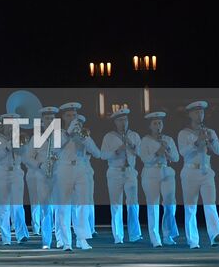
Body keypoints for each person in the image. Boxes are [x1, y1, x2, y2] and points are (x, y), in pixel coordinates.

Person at [177, 100, 219, 248]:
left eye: (202, 112)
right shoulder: (184, 133)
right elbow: (182, 152)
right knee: (191, 207)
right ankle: (193, 241)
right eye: (197, 112)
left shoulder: (210, 131)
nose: (200, 115)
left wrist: (211, 140)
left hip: (206, 171)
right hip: (190, 171)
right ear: (190, 115)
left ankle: (215, 235)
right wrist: (197, 143)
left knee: (210, 204)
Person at [55, 113, 102, 251]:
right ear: (64, 118)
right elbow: (53, 151)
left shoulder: (83, 135)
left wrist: (85, 139)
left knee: (83, 205)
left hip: (81, 167)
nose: (73, 119)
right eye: (69, 116)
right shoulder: (59, 133)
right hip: (64, 168)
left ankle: (82, 239)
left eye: (74, 116)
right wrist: (68, 134)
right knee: (64, 207)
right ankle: (66, 242)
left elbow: (97, 153)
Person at [101, 107, 143, 244]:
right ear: (115, 122)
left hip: (130, 171)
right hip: (114, 171)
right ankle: (118, 236)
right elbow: (103, 155)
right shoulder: (109, 136)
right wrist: (116, 151)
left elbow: (142, 154)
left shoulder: (134, 136)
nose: (123, 123)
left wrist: (132, 146)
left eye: (125, 120)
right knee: (116, 204)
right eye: (120, 120)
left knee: (133, 203)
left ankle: (135, 234)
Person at [138, 110, 180, 247]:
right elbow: (145, 159)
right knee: (153, 205)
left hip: (166, 172)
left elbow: (176, 158)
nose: (158, 125)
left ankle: (167, 234)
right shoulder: (145, 140)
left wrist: (167, 150)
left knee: (170, 204)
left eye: (160, 123)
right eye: (155, 123)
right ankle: (155, 237)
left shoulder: (168, 139)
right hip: (151, 173)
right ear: (150, 126)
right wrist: (157, 152)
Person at [24, 105, 60, 243]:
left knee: (59, 209)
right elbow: (28, 157)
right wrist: (39, 165)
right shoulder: (36, 137)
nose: (50, 121)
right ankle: (47, 241)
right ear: (42, 120)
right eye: (47, 118)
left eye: (52, 118)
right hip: (42, 175)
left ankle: (62, 240)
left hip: (58, 174)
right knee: (45, 208)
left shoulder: (61, 135)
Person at [0, 115, 28, 245]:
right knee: (3, 206)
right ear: (2, 125)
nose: (12, 126)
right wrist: (7, 148)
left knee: (18, 205)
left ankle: (21, 234)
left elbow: (24, 154)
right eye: (9, 124)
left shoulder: (18, 137)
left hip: (17, 171)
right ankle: (6, 238)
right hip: (1, 172)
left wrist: (18, 144)